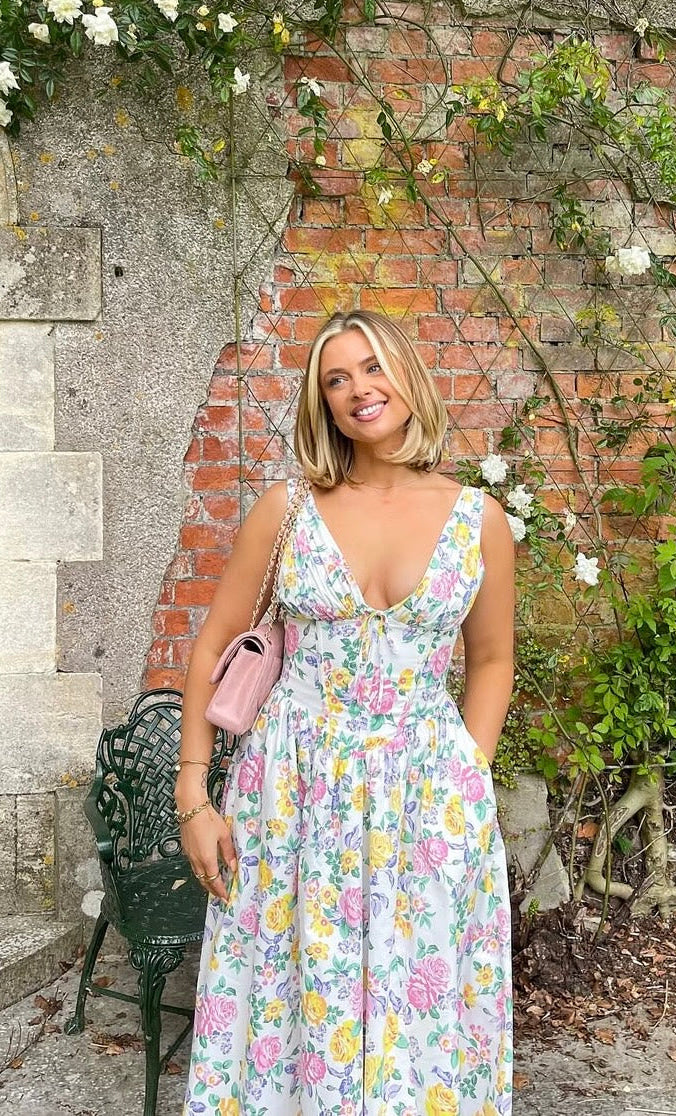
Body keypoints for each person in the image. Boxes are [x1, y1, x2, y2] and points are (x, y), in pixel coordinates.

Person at [178, 309, 515, 1114]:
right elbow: (211, 645)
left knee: (421, 1004)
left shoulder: (478, 521)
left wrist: (467, 772)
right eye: (336, 378)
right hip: (292, 794)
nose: (358, 388)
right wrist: (193, 795)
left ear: (406, 376)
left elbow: (493, 659)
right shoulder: (287, 510)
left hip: (426, 798)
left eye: (371, 367)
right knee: (289, 999)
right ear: (322, 403)